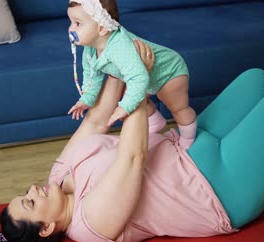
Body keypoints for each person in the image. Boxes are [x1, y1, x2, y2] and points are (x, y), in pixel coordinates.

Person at [0, 41, 264, 242]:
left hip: (188, 145)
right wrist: (138, 82)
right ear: (46, 228)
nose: (33, 190)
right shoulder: (91, 224)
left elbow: (97, 121)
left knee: (258, 78)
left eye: (24, 193)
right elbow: (133, 157)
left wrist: (113, 55)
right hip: (218, 192)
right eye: (30, 202)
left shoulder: (60, 175)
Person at [66, 0, 197, 148]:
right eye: (70, 22)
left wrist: (123, 108)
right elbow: (92, 76)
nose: (70, 29)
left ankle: (188, 141)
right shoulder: (90, 49)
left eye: (77, 24)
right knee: (129, 97)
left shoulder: (120, 47)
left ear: (101, 28)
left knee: (178, 108)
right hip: (144, 77)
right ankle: (155, 121)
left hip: (169, 72)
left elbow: (138, 78)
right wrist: (86, 100)